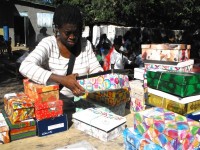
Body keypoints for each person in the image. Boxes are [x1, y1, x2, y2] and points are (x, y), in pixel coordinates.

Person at [19, 4, 103, 100]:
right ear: (57, 28)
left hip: (83, 103)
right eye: (67, 33)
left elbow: (95, 68)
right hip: (56, 105)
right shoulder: (49, 44)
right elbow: (25, 66)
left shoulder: (85, 45)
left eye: (76, 32)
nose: (72, 37)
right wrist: (62, 80)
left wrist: (101, 78)